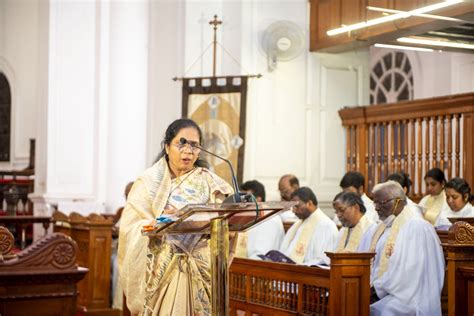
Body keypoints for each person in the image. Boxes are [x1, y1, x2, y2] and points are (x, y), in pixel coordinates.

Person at [117, 118, 233, 315]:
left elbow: (229, 219)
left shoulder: (210, 182)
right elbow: (130, 228)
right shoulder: (147, 184)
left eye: (194, 145)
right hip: (163, 269)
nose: (188, 150)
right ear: (167, 146)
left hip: (201, 266)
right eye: (182, 143)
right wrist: (156, 223)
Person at [358, 181, 445, 315]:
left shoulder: (416, 227)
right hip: (391, 291)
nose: (376, 208)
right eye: (374, 203)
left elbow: (407, 273)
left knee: (380, 311)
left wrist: (376, 288)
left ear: (397, 201)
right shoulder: (383, 227)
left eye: (381, 202)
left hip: (413, 296)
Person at [279, 187, 338, 265]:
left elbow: (323, 260)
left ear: (309, 203)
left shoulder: (327, 226)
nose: (293, 210)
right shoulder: (298, 224)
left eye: (296, 206)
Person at [235, 180, 285, 259]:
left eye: (246, 199)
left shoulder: (269, 218)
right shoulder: (251, 215)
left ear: (258, 199)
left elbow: (261, 255)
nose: (242, 203)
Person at [111, 181, 134, 309]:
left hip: (131, 250)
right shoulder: (125, 210)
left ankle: (120, 307)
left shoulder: (139, 210)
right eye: (125, 194)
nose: (126, 197)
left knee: (117, 265)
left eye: (128, 194)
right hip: (120, 248)